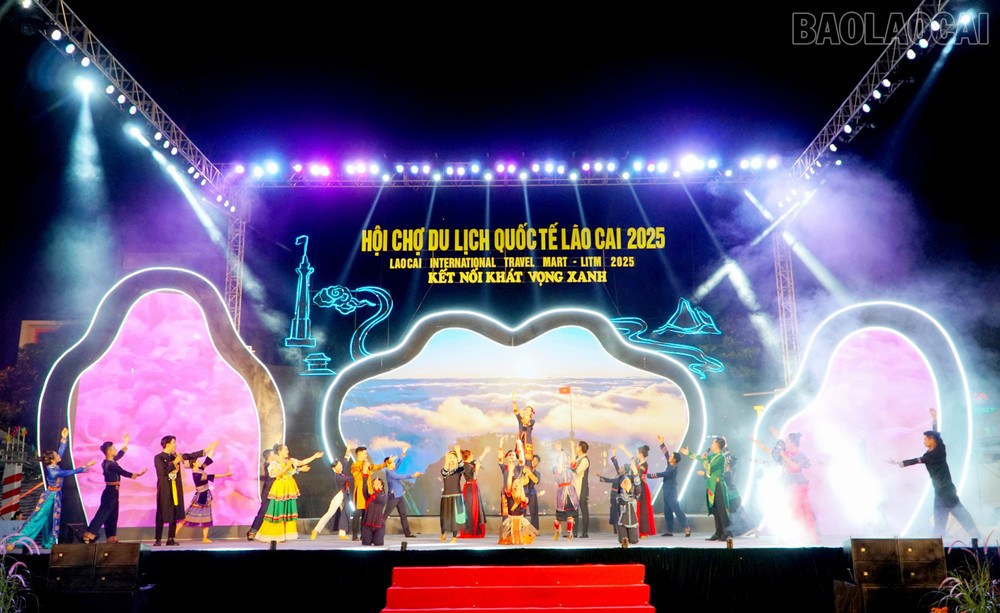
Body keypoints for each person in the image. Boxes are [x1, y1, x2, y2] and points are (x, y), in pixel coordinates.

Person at [892, 407, 980, 541]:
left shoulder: (938, 451)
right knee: (939, 520)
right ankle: (938, 542)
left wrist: (935, 419)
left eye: (925, 439)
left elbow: (918, 459)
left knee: (960, 514)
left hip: (947, 491)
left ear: (932, 440)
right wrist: (934, 419)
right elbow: (919, 457)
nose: (924, 441)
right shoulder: (930, 453)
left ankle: (977, 536)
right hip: (939, 491)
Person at [9, 427, 95, 550]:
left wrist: (63, 439)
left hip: (56, 496)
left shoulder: (53, 465)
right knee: (38, 518)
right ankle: (15, 541)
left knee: (51, 520)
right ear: (53, 459)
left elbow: (60, 453)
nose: (59, 455)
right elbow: (69, 472)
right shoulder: (54, 471)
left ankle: (48, 543)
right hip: (49, 496)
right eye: (56, 455)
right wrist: (86, 466)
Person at [82, 433, 148, 544]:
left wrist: (126, 443)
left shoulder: (110, 461)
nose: (115, 450)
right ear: (109, 451)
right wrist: (137, 474)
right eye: (113, 448)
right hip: (110, 491)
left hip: (114, 491)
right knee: (104, 513)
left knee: (113, 514)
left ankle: (111, 537)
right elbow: (122, 472)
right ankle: (88, 534)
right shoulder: (110, 464)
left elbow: (119, 456)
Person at [255, 444, 323, 543]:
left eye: (287, 449)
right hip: (280, 488)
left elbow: (302, 462)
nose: (287, 451)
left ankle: (284, 534)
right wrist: (288, 465)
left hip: (289, 487)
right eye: (285, 450)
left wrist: (314, 457)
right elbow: (277, 474)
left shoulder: (290, 461)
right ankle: (275, 534)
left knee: (287, 511)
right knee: (278, 510)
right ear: (279, 452)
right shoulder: (275, 463)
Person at [154, 435, 214, 546]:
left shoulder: (175, 456)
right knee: (162, 513)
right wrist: (174, 462)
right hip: (165, 489)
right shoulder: (159, 457)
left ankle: (171, 538)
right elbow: (162, 472)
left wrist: (206, 450)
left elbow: (189, 456)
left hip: (176, 488)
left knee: (174, 512)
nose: (175, 445)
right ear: (167, 444)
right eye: (173, 443)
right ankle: (158, 539)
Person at [681, 437, 731, 542]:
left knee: (722, 511)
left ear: (717, 445)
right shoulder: (712, 456)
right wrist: (689, 454)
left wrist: (704, 464)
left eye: (713, 443)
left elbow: (709, 467)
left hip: (718, 486)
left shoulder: (721, 457)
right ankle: (718, 533)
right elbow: (701, 458)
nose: (711, 445)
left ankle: (726, 533)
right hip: (711, 486)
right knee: (715, 511)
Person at [775, 432, 819, 544]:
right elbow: (777, 457)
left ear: (793, 443)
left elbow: (795, 466)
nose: (786, 443)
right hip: (789, 482)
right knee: (790, 509)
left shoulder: (799, 454)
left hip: (798, 483)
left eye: (788, 441)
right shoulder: (786, 452)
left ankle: (805, 537)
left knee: (801, 510)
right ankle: (793, 536)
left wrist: (784, 456)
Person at [180, 452, 232, 543]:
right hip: (201, 497)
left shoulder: (199, 470)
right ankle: (173, 535)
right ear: (194, 463)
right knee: (187, 517)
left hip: (205, 496)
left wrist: (212, 449)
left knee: (206, 518)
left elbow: (207, 461)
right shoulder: (197, 474)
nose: (199, 462)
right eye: (197, 461)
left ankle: (205, 538)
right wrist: (226, 475)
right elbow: (212, 476)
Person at [648, 434, 691, 537]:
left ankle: (686, 528)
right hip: (666, 491)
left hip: (671, 492)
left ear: (674, 460)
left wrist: (649, 475)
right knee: (667, 511)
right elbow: (666, 454)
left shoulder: (673, 468)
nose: (670, 457)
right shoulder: (670, 464)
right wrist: (661, 443)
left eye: (672, 456)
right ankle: (669, 531)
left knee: (676, 509)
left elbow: (663, 474)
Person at [497, 441, 538, 545]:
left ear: (516, 457)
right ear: (507, 457)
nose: (511, 456)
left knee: (519, 513)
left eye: (513, 455)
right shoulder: (504, 468)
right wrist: (501, 445)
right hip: (507, 493)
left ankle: (520, 534)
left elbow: (522, 460)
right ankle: (507, 535)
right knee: (507, 513)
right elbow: (500, 459)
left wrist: (519, 447)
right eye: (509, 455)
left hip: (518, 493)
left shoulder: (518, 468)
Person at [350, 446, 391, 541]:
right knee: (357, 514)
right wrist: (364, 470)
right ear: (359, 454)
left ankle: (363, 534)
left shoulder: (367, 464)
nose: (366, 455)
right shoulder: (355, 465)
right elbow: (356, 476)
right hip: (360, 493)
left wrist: (387, 462)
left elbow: (377, 467)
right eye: (364, 453)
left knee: (366, 514)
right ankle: (355, 535)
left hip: (368, 492)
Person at [617, 443, 656, 537]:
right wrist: (623, 448)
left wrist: (629, 477)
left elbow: (638, 474)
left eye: (637, 453)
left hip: (642, 488)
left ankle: (643, 531)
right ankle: (635, 530)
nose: (636, 454)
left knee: (643, 509)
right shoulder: (638, 462)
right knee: (636, 508)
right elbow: (631, 457)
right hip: (637, 485)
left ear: (641, 454)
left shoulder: (644, 464)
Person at [382, 451, 422, 538]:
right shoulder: (389, 472)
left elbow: (398, 464)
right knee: (385, 515)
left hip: (399, 496)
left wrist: (402, 454)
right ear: (388, 464)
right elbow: (400, 477)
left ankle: (407, 533)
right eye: (392, 463)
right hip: (393, 497)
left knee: (403, 515)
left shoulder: (392, 470)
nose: (394, 464)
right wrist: (413, 475)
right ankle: (376, 531)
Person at [312, 457, 353, 540]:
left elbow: (345, 463)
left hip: (344, 495)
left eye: (340, 465)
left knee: (345, 513)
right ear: (334, 468)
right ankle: (316, 530)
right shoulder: (337, 476)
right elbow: (347, 478)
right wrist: (357, 475)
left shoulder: (341, 473)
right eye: (338, 466)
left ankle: (342, 533)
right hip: (338, 496)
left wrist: (347, 453)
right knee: (330, 513)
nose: (340, 466)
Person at [458, 447, 488, 538]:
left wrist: (485, 452)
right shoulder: (465, 466)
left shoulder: (470, 464)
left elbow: (478, 460)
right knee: (471, 508)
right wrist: (477, 469)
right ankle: (470, 530)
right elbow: (474, 477)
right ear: (468, 456)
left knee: (476, 507)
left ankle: (476, 529)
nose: (473, 455)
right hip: (470, 488)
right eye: (471, 454)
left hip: (473, 487)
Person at [248, 447, 277, 541]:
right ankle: (253, 531)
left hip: (275, 491)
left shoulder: (274, 464)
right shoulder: (268, 465)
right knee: (263, 512)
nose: (275, 455)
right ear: (269, 456)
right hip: (268, 492)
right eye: (273, 454)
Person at [552, 442, 579, 540]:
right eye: (564, 457)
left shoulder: (570, 468)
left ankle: (569, 534)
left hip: (570, 493)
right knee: (559, 518)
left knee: (570, 516)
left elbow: (573, 461)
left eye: (567, 457)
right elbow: (559, 468)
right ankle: (556, 531)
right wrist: (559, 451)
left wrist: (572, 447)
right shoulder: (557, 468)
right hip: (561, 493)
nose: (566, 458)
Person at [439, 445, 466, 542]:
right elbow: (444, 471)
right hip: (446, 496)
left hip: (457, 496)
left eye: (453, 458)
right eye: (450, 458)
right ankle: (442, 533)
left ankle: (454, 537)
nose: (452, 459)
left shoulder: (458, 470)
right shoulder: (444, 470)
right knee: (445, 517)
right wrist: (447, 460)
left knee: (456, 518)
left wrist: (458, 453)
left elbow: (462, 466)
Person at [616, 459, 642, 545]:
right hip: (623, 522)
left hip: (633, 522)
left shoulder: (635, 494)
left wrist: (635, 473)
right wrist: (626, 492)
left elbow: (638, 488)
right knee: (624, 541)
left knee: (634, 541)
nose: (626, 483)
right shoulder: (619, 496)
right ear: (621, 485)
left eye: (628, 482)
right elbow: (623, 500)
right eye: (624, 482)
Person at [598, 448, 625, 528]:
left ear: (624, 471)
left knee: (616, 512)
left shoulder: (622, 477)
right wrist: (614, 454)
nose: (620, 468)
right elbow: (616, 465)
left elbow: (610, 480)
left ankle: (618, 527)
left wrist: (600, 477)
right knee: (614, 511)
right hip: (614, 495)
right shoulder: (620, 474)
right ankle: (616, 528)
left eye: (622, 467)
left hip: (617, 496)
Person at [571, 440, 591, 538]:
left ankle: (585, 532)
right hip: (575, 486)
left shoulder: (585, 460)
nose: (576, 448)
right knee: (574, 510)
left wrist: (571, 467)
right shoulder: (577, 458)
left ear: (580, 448)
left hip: (582, 488)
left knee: (584, 509)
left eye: (576, 446)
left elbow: (577, 471)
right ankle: (573, 532)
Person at [361, 477, 388, 546]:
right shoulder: (369, 496)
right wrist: (365, 477)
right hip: (368, 524)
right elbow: (364, 489)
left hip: (379, 525)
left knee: (378, 543)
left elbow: (379, 500)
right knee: (366, 543)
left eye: (379, 484)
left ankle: (375, 538)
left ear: (382, 486)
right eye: (375, 484)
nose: (377, 485)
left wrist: (377, 490)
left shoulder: (384, 496)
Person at [512, 394, 536, 458]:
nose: (527, 411)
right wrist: (514, 401)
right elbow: (516, 411)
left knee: (527, 458)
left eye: (529, 410)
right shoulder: (520, 419)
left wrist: (522, 415)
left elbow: (527, 422)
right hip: (520, 440)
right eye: (526, 410)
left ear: (531, 412)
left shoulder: (532, 421)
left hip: (527, 442)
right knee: (520, 457)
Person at [523, 454, 541, 530]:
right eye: (533, 460)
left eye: (536, 461)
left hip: (532, 492)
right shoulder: (524, 469)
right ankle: (521, 528)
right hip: (523, 491)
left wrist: (530, 473)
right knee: (522, 511)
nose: (534, 462)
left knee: (534, 512)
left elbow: (536, 481)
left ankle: (534, 529)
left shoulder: (537, 473)